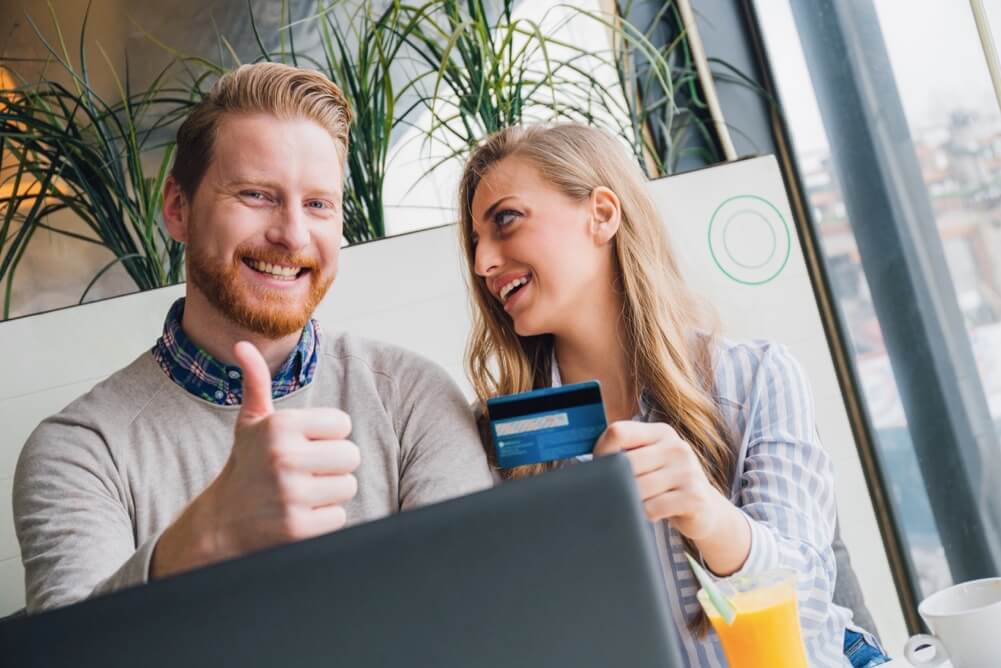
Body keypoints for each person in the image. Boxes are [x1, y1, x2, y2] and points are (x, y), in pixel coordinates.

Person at [13, 62, 492, 613]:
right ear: (178, 208)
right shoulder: (80, 451)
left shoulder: (415, 400)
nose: (292, 234)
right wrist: (208, 534)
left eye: (318, 204)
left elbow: (468, 618)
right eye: (257, 194)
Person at [457, 123, 889, 668]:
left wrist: (707, 515)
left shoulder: (756, 378)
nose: (483, 262)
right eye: (476, 241)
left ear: (602, 214)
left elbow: (808, 621)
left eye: (505, 221)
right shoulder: (493, 441)